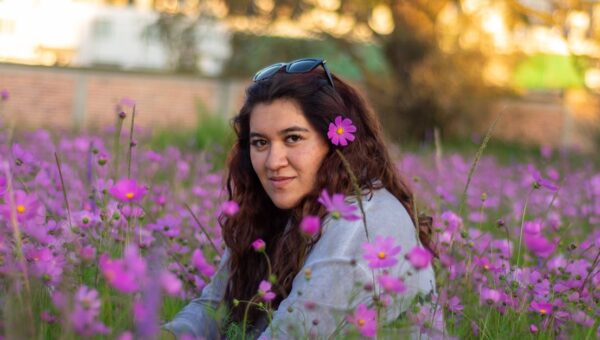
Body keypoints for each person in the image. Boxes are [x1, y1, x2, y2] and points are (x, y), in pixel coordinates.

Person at [163, 58, 439, 339]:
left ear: (335, 143)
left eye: (293, 138)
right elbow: (214, 307)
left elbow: (289, 334)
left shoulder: (360, 220)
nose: (273, 161)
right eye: (260, 142)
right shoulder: (277, 208)